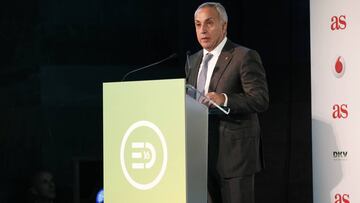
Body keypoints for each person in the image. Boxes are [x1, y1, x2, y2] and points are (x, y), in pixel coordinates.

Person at [186, 2, 269, 203]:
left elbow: (260, 99)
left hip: (235, 157)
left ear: (224, 26)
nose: (202, 30)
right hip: (201, 155)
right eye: (198, 24)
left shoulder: (244, 56)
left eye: (209, 23)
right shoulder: (193, 60)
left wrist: (224, 99)